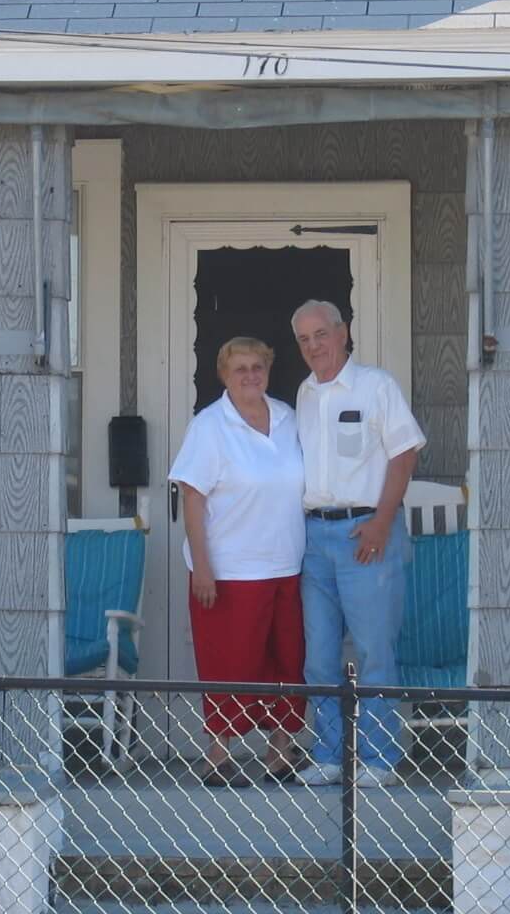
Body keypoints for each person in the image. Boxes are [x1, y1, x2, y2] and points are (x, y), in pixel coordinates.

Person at [290, 299, 424, 788]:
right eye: (304, 339)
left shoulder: (376, 386)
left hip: (366, 531)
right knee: (320, 654)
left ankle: (382, 757)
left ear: (343, 333)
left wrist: (382, 521)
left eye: (320, 334)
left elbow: (404, 454)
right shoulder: (304, 393)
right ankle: (328, 754)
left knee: (373, 650)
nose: (313, 346)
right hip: (314, 536)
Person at [168, 336, 307, 787]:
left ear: (268, 371)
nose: (250, 375)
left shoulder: (288, 418)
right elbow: (192, 498)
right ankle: (219, 753)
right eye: (240, 368)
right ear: (224, 375)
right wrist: (202, 566)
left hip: (286, 563)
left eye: (258, 367)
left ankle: (280, 749)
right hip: (229, 570)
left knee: (286, 659)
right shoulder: (210, 426)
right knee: (229, 662)